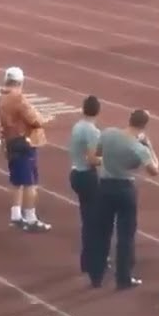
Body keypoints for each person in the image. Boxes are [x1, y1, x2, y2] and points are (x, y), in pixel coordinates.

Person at [87, 109, 159, 290]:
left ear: (130, 119)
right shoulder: (139, 148)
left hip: (104, 187)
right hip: (125, 189)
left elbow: (96, 155)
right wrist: (149, 145)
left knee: (101, 233)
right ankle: (123, 278)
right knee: (125, 236)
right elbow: (154, 170)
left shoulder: (108, 133)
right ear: (144, 126)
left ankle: (96, 276)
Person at [0, 66, 51, 232]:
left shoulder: (2, 97)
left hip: (11, 141)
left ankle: (16, 214)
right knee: (30, 182)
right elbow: (34, 119)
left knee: (17, 180)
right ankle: (31, 217)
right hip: (24, 142)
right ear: (20, 81)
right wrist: (44, 118)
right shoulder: (18, 98)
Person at [69, 96, 102, 274]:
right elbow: (92, 159)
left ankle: (86, 260)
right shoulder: (92, 131)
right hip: (86, 176)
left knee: (87, 219)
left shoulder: (77, 126)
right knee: (93, 221)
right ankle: (92, 260)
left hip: (75, 172)